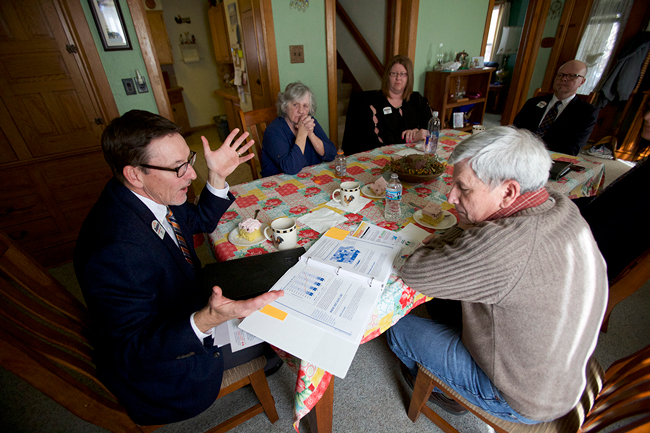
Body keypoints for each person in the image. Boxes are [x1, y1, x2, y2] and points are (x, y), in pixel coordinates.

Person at [74, 110, 284, 425]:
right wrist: (206, 320)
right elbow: (132, 351)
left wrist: (217, 178)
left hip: (186, 295)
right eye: (178, 168)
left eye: (189, 160)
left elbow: (195, 222)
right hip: (164, 366)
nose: (191, 175)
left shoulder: (149, 192)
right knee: (281, 334)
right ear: (135, 173)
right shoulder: (114, 250)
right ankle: (264, 358)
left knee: (275, 275)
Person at [387, 126, 607, 424]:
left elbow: (416, 270)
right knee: (447, 303)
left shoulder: (502, 246)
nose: (450, 197)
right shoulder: (560, 203)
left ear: (509, 191)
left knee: (396, 328)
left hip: (522, 397)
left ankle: (446, 393)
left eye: (463, 188)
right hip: (564, 371)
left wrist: (464, 225)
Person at [341, 55, 432, 155]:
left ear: (409, 77)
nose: (398, 78)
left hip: (412, 155)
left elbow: (431, 125)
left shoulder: (416, 99)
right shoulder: (372, 102)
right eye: (394, 74)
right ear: (387, 76)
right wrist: (411, 138)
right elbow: (379, 139)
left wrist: (417, 131)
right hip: (381, 156)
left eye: (403, 74)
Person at [513, 60, 599, 156]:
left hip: (551, 159)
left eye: (571, 76)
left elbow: (572, 149)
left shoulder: (587, 112)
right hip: (519, 153)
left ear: (582, 82)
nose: (564, 79)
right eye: (560, 75)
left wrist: (535, 151)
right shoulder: (533, 103)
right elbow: (514, 130)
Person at [260, 82, 337, 177]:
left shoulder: (311, 122)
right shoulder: (273, 131)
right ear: (284, 106)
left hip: (309, 179)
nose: (301, 110)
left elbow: (331, 154)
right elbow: (291, 168)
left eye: (305, 106)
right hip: (279, 185)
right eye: (295, 105)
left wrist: (311, 134)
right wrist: (302, 134)